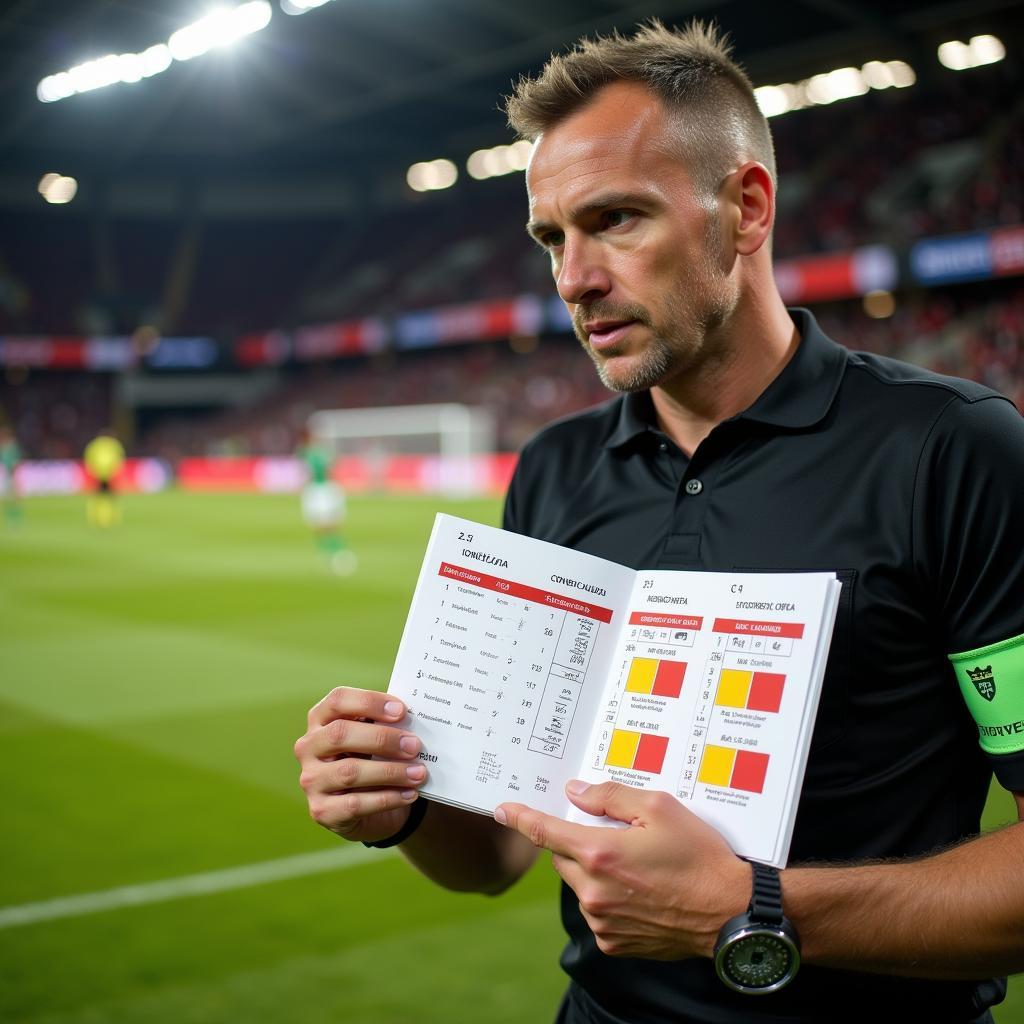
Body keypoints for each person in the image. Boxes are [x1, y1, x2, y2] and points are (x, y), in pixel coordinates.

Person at [293, 21, 1024, 1024]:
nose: (572, 278)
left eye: (617, 221)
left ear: (746, 208)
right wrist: (403, 801)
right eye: (553, 237)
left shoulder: (954, 450)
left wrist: (754, 911)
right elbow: (497, 853)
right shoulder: (552, 470)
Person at [297, 429, 356, 575]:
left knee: (326, 524)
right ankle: (330, 551)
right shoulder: (317, 452)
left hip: (320, 490)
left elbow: (314, 471)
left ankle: (336, 551)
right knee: (322, 524)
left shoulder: (309, 453)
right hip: (321, 489)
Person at [83, 427, 126, 527]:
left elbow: (89, 457)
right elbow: (119, 458)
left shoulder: (95, 444)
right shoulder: (114, 444)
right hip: (109, 473)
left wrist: (92, 469)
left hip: (99, 472)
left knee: (99, 496)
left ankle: (96, 517)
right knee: (109, 497)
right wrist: (116, 470)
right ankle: (106, 518)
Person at [0, 423, 22, 525]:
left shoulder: (11, 448)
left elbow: (15, 463)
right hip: (5, 475)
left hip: (11, 475)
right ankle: (10, 517)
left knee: (13, 498)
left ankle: (14, 518)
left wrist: (14, 475)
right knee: (8, 498)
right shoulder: (3, 448)